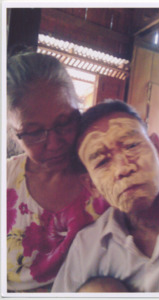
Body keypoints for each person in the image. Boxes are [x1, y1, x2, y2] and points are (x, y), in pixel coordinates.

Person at [52, 100, 159, 293]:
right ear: (92, 185)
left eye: (132, 145)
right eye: (101, 162)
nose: (123, 168)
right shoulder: (87, 248)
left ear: (157, 148)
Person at [7, 51, 109, 292]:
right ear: (14, 134)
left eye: (64, 122)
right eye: (33, 132)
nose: (53, 144)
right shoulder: (7, 180)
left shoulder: (105, 179)